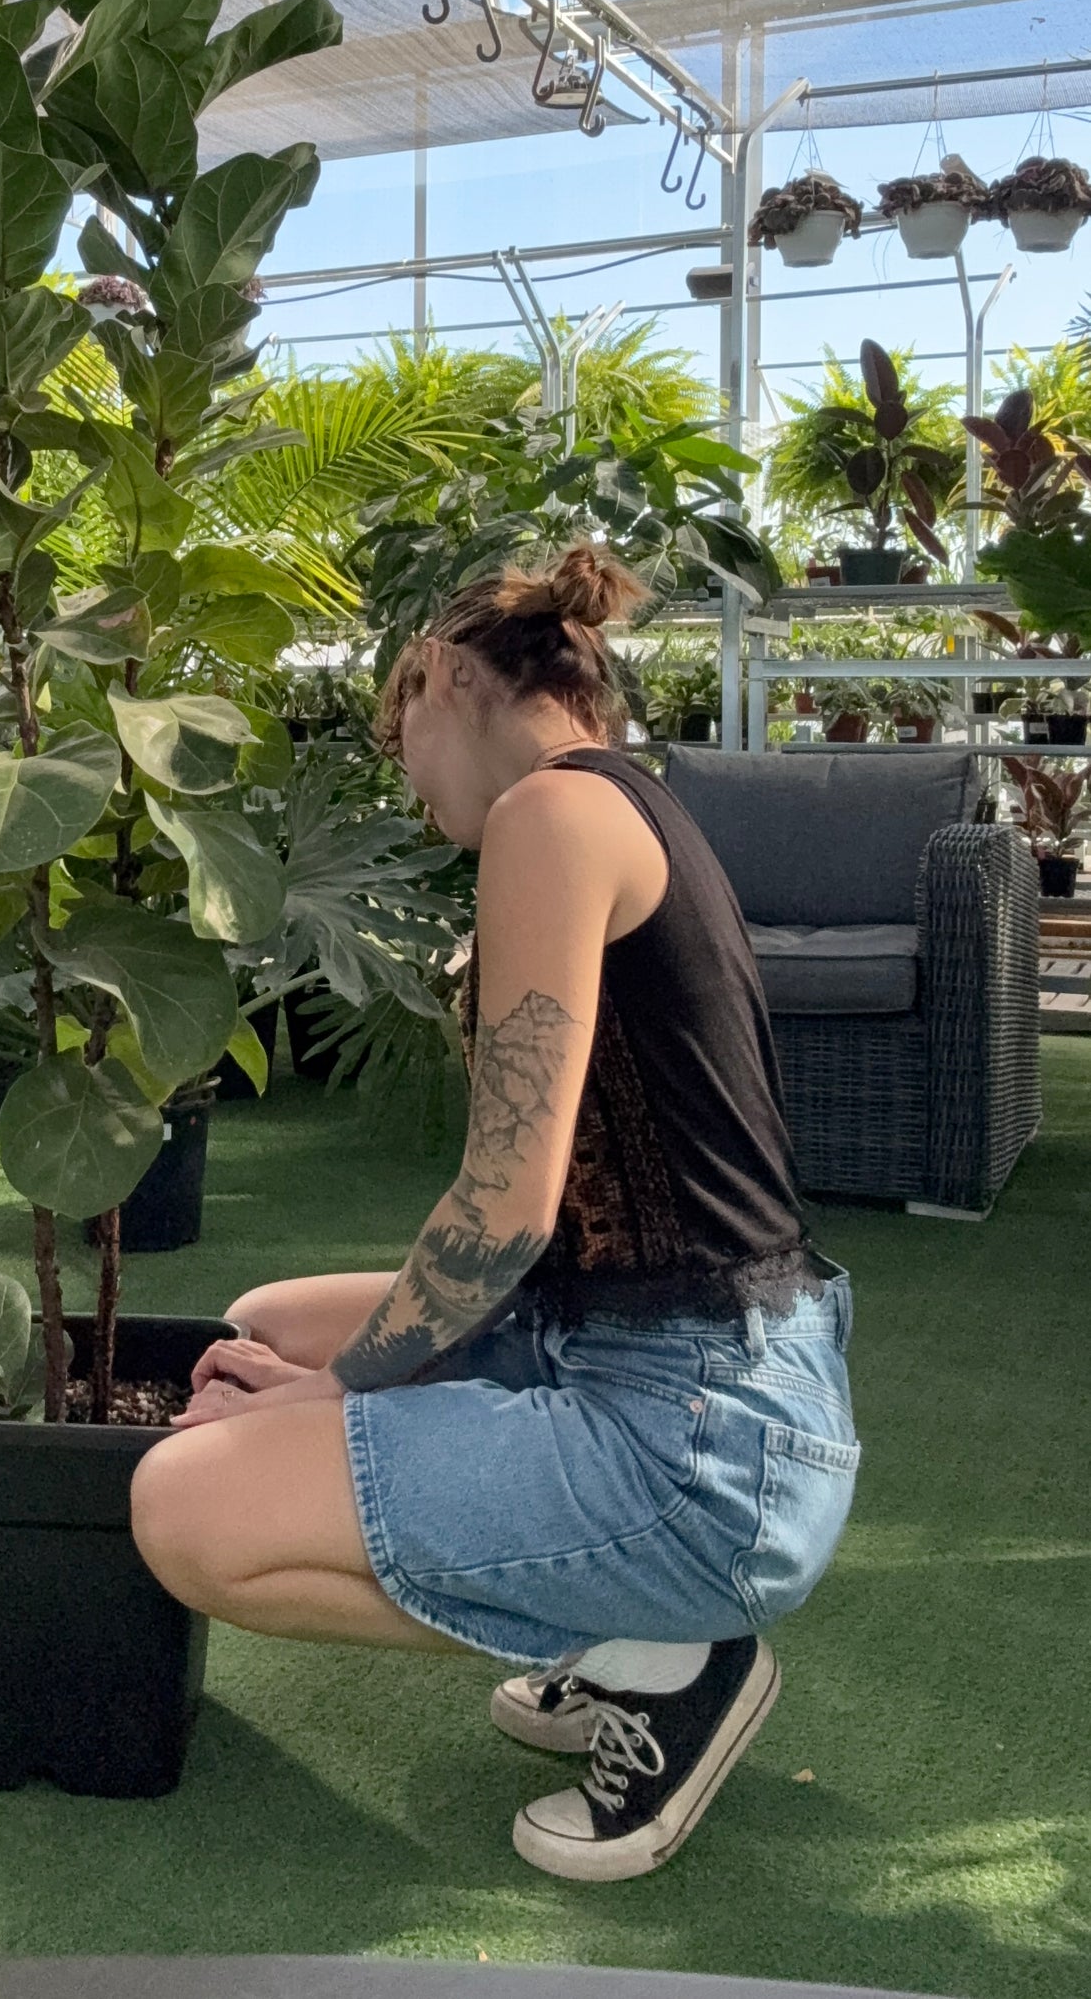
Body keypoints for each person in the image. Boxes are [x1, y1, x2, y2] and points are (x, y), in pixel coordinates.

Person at [130, 545, 859, 1882]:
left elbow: (503, 1205)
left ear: (454, 678)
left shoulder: (549, 817)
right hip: (684, 1354)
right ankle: (631, 1625)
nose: (398, 774)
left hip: (698, 1440)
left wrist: (338, 1395)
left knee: (186, 1513)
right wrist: (325, 1375)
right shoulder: (624, 801)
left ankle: (664, 1653)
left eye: (394, 723)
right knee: (259, 1324)